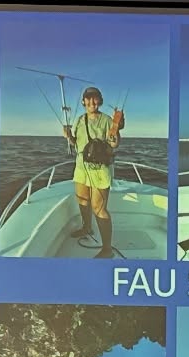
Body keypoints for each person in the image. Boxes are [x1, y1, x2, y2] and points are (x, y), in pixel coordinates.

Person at [62, 86, 122, 259]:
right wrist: (69, 137)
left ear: (100, 101)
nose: (91, 102)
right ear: (83, 101)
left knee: (99, 208)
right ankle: (86, 227)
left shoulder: (107, 120)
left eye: (95, 98)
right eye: (88, 99)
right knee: (82, 200)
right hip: (81, 167)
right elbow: (77, 143)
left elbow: (114, 143)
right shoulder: (80, 120)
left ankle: (107, 249)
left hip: (99, 169)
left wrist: (114, 139)